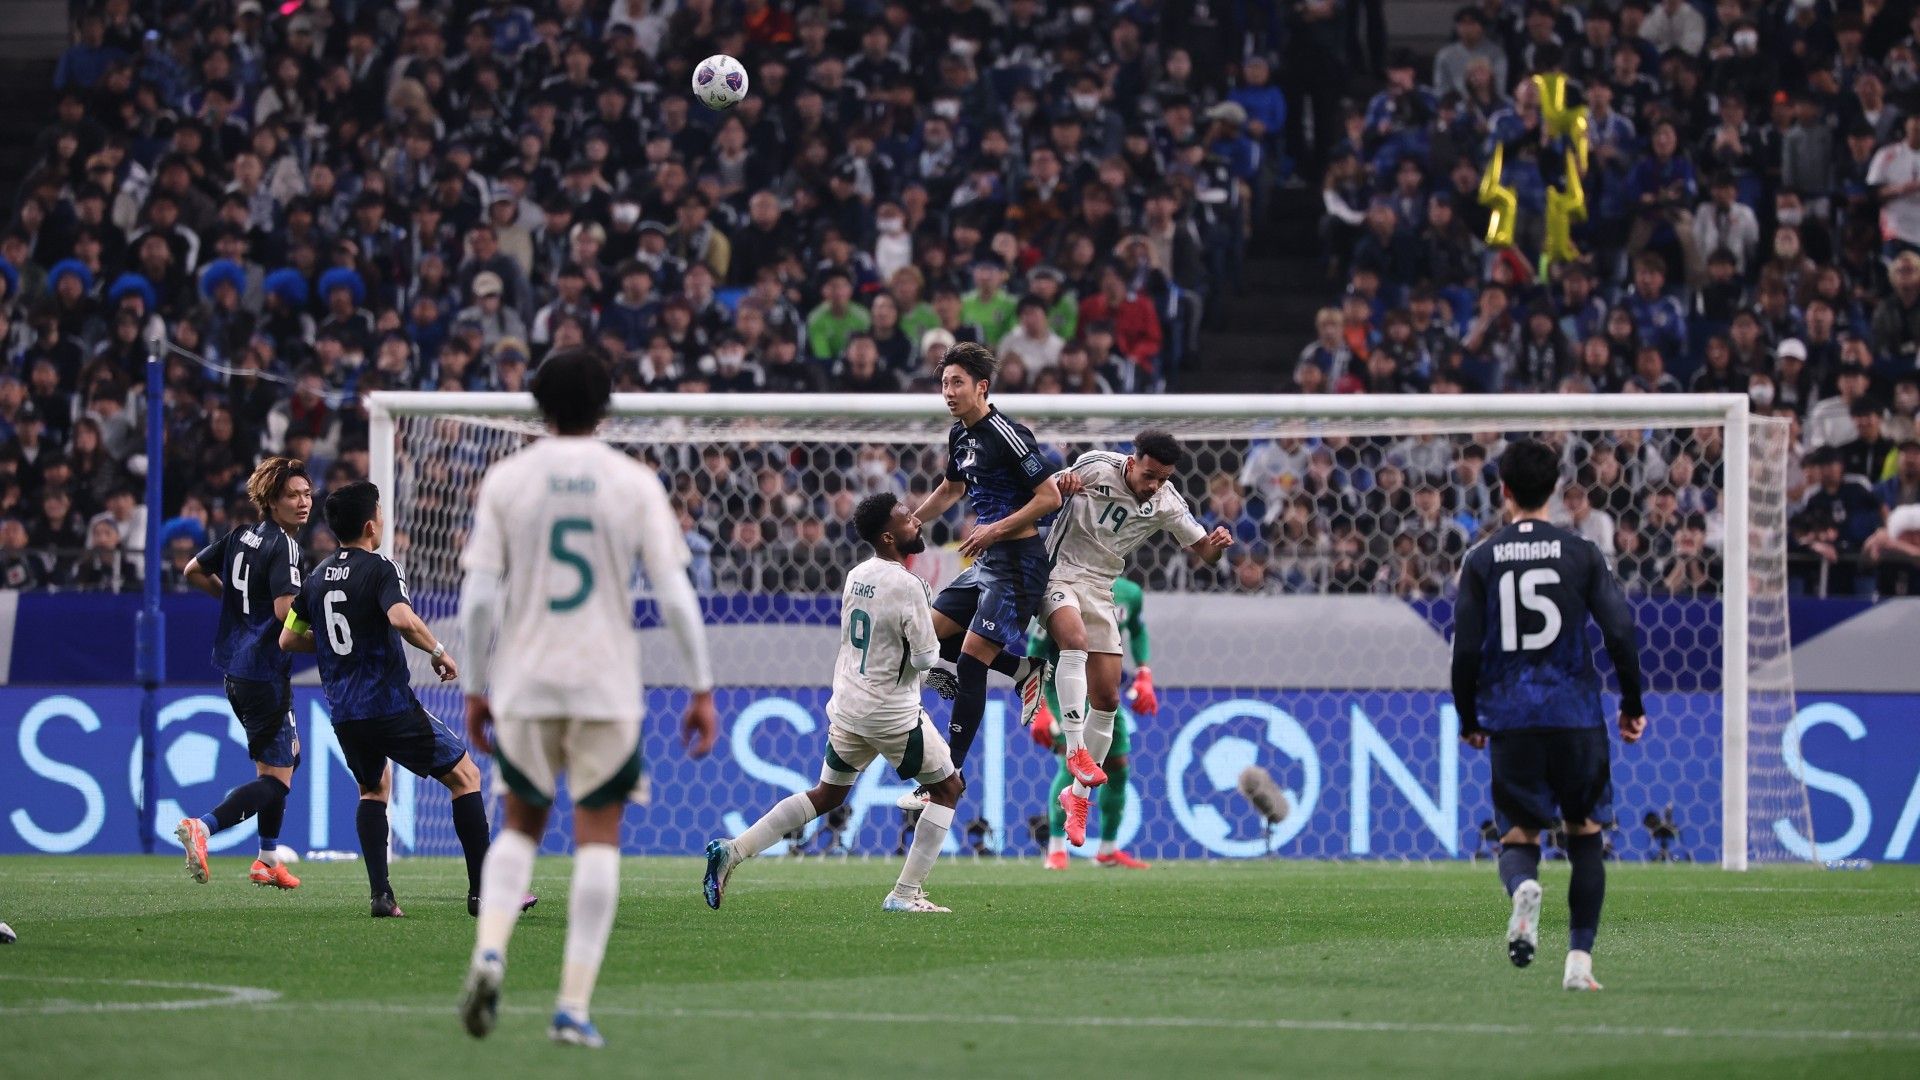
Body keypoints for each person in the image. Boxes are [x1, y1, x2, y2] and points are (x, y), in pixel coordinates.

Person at [456, 349, 718, 1049]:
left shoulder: (507, 480)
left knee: (518, 826)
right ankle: (571, 1005)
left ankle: (490, 953)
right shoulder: (632, 482)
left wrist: (477, 686)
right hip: (604, 683)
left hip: (525, 677)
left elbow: (479, 597)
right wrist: (700, 686)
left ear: (538, 404)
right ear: (607, 406)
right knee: (598, 837)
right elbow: (673, 595)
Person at [277, 481, 533, 920]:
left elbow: (288, 638)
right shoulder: (381, 568)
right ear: (370, 524)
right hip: (388, 705)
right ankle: (486, 893)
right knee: (465, 775)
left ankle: (381, 896)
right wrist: (438, 652)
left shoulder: (316, 578)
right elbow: (401, 617)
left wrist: (338, 650)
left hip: (344, 711)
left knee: (373, 788)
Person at [704, 494, 964, 914]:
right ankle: (904, 894)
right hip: (889, 711)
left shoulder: (856, 575)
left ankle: (732, 850)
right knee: (949, 788)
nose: (915, 521)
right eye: (905, 519)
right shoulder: (909, 584)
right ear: (887, 536)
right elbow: (922, 658)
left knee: (827, 795)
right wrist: (937, 670)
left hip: (849, 704)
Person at [1450, 440, 1646, 993]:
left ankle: (1522, 892)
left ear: (1504, 490)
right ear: (1556, 490)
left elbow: (1465, 651)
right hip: (1575, 715)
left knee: (1518, 838)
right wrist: (1632, 705)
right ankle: (1579, 962)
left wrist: (1470, 717)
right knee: (1585, 837)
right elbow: (1619, 633)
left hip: (1512, 716)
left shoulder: (1482, 559)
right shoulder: (1581, 552)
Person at [1035, 433, 1231, 846]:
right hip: (1057, 573)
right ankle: (1074, 751)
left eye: (1163, 478)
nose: (1154, 485)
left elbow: (1204, 553)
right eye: (1149, 474)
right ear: (1132, 460)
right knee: (1074, 642)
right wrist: (1061, 485)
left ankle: (1078, 797)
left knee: (1106, 699)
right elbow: (1046, 491)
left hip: (1101, 588)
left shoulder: (1167, 502)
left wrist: (1215, 548)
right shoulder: (1094, 465)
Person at [897, 343, 1063, 810]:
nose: (948, 392)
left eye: (957, 383)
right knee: (926, 642)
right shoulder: (960, 436)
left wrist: (993, 530)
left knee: (969, 662)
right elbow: (951, 487)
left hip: (1017, 563)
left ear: (981, 387)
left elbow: (1049, 497)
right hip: (988, 562)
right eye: (944, 383)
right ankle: (1022, 669)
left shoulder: (1007, 434)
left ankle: (946, 777)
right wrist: (914, 521)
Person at [175, 457, 312, 890]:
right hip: (264, 670)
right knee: (278, 779)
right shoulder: (285, 545)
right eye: (293, 495)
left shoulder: (239, 536)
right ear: (271, 501)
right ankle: (205, 827)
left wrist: (232, 605)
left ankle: (267, 859)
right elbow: (284, 611)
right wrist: (326, 639)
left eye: (307, 493)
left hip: (235, 668)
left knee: (284, 760)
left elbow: (192, 571)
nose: (304, 501)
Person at [1029, 574, 1157, 870]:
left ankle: (1108, 849)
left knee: (1118, 766)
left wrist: (1144, 672)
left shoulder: (1129, 593)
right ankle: (1057, 849)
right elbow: (1035, 651)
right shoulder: (1059, 589)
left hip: (1103, 691)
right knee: (1072, 763)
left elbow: (1137, 630)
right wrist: (1042, 707)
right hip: (1064, 688)